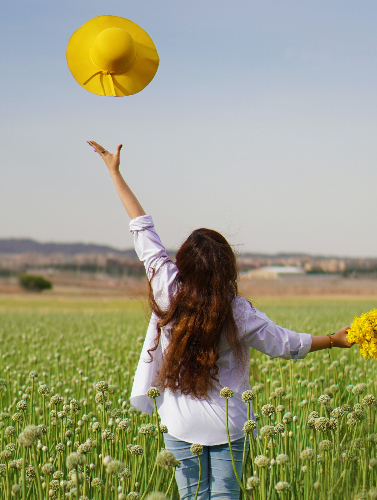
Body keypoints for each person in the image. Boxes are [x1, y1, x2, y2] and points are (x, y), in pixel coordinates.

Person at [88, 141, 354, 500]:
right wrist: (334, 340)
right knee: (227, 495)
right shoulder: (236, 310)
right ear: (227, 268)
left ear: (183, 262)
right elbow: (285, 344)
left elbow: (142, 230)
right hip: (229, 423)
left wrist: (115, 173)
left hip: (179, 422)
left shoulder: (167, 289)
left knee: (192, 497)